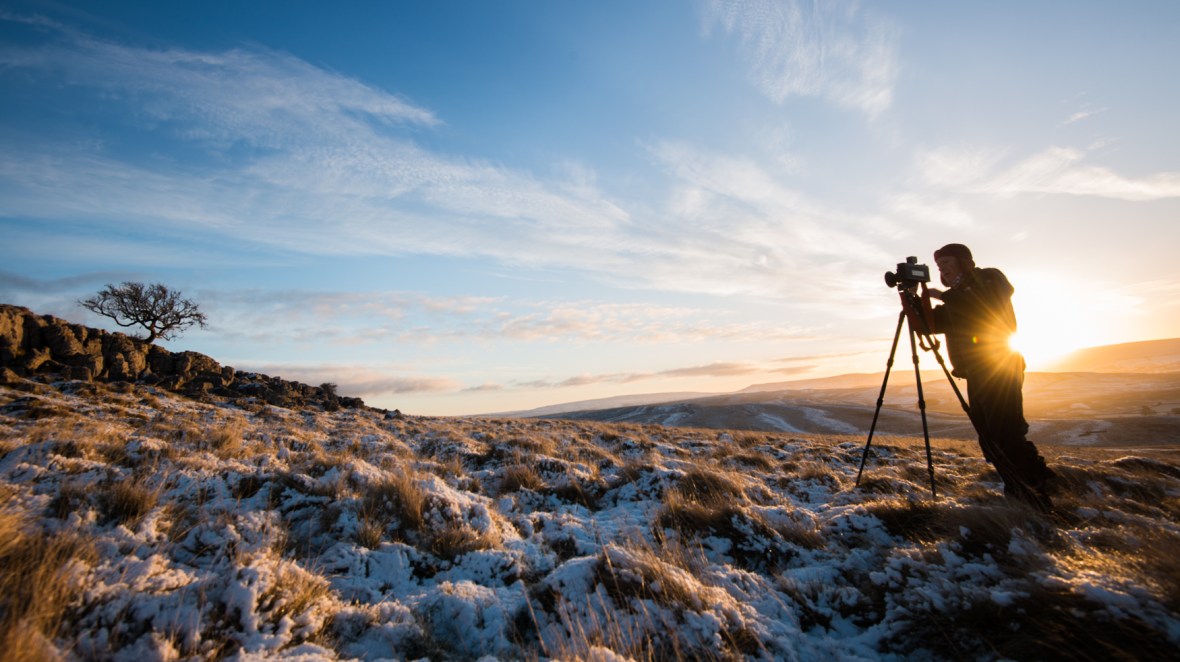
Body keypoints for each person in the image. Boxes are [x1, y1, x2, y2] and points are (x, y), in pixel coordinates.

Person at [918, 243, 1056, 509]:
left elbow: (983, 303)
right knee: (990, 435)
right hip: (976, 373)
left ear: (964, 261)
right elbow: (929, 325)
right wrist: (914, 301)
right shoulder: (954, 300)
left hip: (999, 366)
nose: (942, 268)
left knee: (1005, 430)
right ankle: (1032, 481)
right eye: (938, 265)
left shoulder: (989, 278)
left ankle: (1031, 493)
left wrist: (944, 296)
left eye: (946, 262)